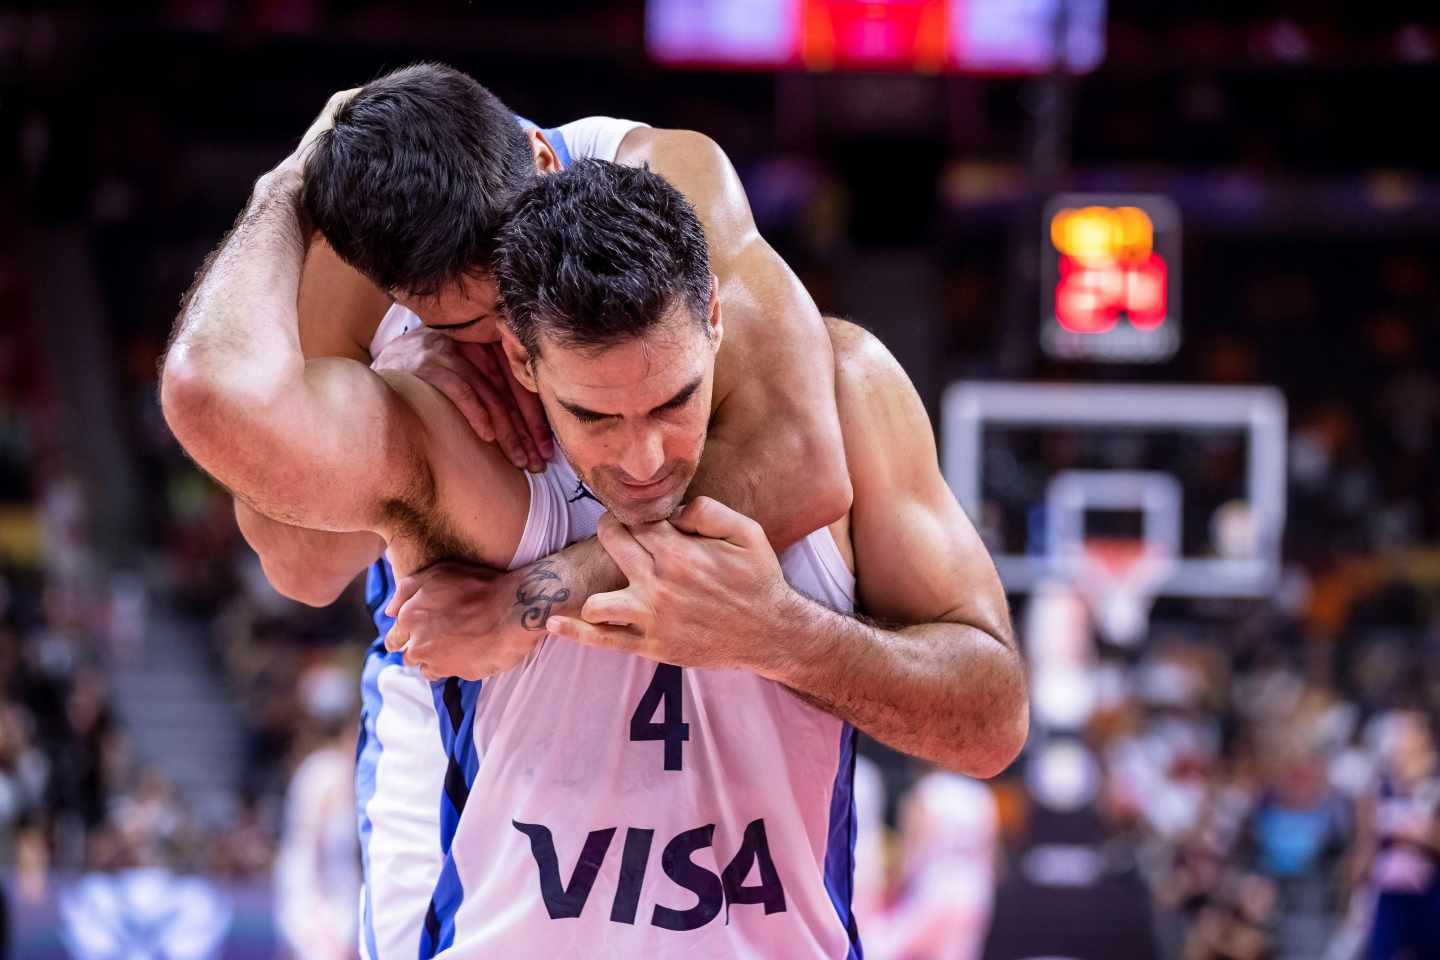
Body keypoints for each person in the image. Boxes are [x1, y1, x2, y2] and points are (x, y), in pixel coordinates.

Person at [162, 122, 1026, 957]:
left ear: (717, 314)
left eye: (674, 401)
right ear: (520, 356)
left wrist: (779, 635)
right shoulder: (447, 425)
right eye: (595, 415)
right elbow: (278, 522)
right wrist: (292, 187)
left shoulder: (840, 392)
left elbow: (991, 719)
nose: (644, 456)